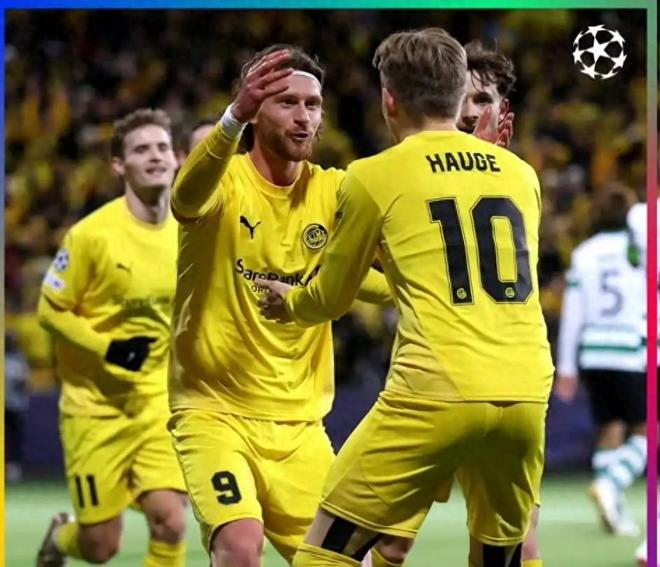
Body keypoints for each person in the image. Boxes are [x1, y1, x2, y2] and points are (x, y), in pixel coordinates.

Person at [258, 27, 553, 567]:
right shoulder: (522, 175)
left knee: (325, 552)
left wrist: (290, 303)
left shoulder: (373, 176)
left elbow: (330, 298)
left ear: (389, 100)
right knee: (504, 556)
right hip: (526, 391)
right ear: (459, 96)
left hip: (434, 390)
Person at [35, 108, 188, 567]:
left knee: (172, 521)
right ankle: (61, 538)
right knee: (100, 547)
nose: (155, 156)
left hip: (156, 403)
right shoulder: (90, 235)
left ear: (177, 158)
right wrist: (109, 349)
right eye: (141, 149)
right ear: (119, 165)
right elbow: (49, 309)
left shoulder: (189, 231)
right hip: (94, 410)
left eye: (162, 147)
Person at [554, 184, 646, 538]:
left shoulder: (584, 253)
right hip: (629, 347)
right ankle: (611, 484)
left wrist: (567, 367)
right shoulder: (638, 248)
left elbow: (573, 314)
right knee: (647, 431)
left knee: (610, 430)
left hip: (593, 352)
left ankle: (615, 511)